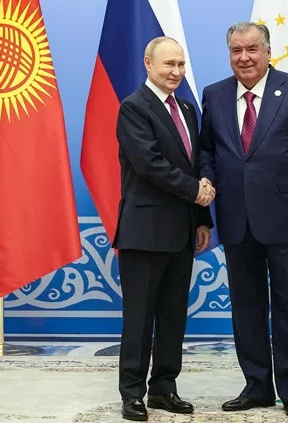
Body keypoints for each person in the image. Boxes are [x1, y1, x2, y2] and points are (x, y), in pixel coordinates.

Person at [199, 22, 288, 418]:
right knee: (247, 306)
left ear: (268, 51)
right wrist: (204, 191)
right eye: (236, 51)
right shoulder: (215, 94)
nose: (244, 58)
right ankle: (256, 386)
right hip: (236, 219)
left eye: (252, 49)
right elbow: (206, 152)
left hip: (287, 216)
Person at [114, 36, 214, 422]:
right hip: (144, 231)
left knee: (173, 314)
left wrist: (203, 218)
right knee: (139, 316)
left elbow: (200, 158)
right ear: (148, 64)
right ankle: (132, 394)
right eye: (168, 64)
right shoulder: (134, 108)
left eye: (181, 65)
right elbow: (148, 164)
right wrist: (197, 191)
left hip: (183, 230)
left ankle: (164, 388)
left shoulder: (187, 108)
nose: (175, 72)